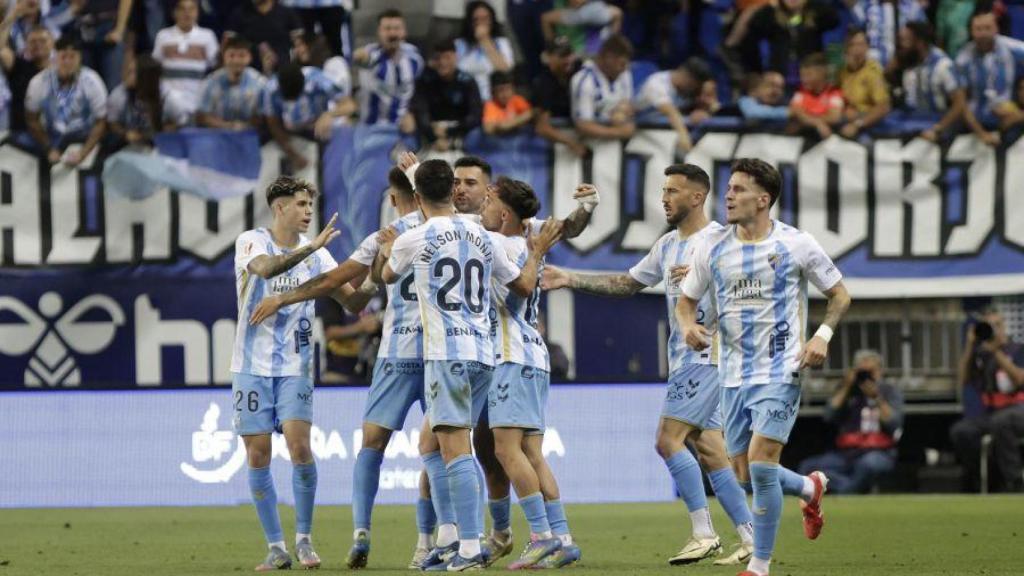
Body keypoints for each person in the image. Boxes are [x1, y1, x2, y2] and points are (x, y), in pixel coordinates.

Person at [542, 164, 758, 567]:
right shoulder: (667, 245)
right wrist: (569, 278)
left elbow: (749, 287)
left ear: (697, 197)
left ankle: (703, 533)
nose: (664, 198)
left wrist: (705, 280)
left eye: (673, 191)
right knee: (711, 451)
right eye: (663, 190)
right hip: (685, 358)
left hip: (708, 355)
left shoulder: (722, 240)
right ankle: (749, 537)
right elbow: (628, 284)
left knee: (667, 440)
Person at [379, 159, 562, 571]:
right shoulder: (484, 236)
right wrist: (535, 253)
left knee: (456, 451)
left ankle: (467, 546)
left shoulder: (416, 235)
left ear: (418, 198)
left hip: (445, 353)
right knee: (436, 444)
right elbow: (524, 284)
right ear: (451, 190)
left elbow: (388, 276)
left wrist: (389, 247)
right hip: (484, 354)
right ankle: (454, 539)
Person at [677, 158, 852, 576]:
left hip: (781, 370)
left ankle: (759, 565)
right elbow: (686, 303)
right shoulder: (712, 246)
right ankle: (810, 489)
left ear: (763, 198)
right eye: (729, 188)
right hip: (732, 373)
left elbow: (840, 295)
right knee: (745, 475)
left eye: (738, 189)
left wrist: (820, 337)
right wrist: (688, 327)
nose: (729, 196)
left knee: (760, 461)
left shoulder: (796, 244)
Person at [230, 177, 343, 571]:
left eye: (310, 203)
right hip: (250, 367)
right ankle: (276, 547)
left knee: (299, 448)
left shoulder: (319, 255)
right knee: (258, 454)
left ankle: (305, 540)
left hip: (296, 366)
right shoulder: (252, 241)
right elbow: (265, 269)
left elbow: (348, 291)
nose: (308, 211)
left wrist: (377, 266)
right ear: (279, 208)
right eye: (300, 204)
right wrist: (312, 248)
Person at [479, 177, 584, 569]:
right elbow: (562, 226)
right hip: (534, 357)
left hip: (509, 355)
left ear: (504, 213)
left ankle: (540, 536)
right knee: (533, 454)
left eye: (488, 201)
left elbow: (520, 286)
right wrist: (585, 209)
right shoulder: (525, 241)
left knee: (505, 450)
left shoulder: (495, 243)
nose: (482, 208)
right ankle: (562, 538)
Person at [797, 350, 904, 494]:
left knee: (868, 465)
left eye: (870, 371)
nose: (866, 377)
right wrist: (847, 386)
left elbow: (894, 423)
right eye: (862, 372)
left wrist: (876, 398)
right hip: (846, 453)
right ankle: (849, 487)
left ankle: (846, 488)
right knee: (808, 467)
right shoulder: (848, 391)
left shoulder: (889, 391)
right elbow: (829, 415)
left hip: (878, 452)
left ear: (880, 370)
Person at [950, 309, 1024, 493]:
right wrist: (970, 345)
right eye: (989, 326)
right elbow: (963, 379)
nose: (994, 330)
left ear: (1004, 327)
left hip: (1018, 408)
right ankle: (983, 479)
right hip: (991, 411)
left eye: (997, 325)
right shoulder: (981, 354)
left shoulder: (1018, 349)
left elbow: (1020, 380)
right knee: (962, 431)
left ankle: (1014, 482)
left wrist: (997, 352)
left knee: (1002, 422)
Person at [25, 35, 107, 167]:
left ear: (80, 58)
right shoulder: (38, 82)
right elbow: (31, 118)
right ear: (55, 57)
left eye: (73, 56)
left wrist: (83, 152)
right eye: (63, 56)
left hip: (83, 136)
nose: (68, 62)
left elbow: (101, 122)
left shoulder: (92, 81)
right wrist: (48, 147)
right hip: (51, 136)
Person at [260, 61, 349, 169]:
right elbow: (273, 125)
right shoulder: (270, 90)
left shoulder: (319, 80)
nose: (293, 104)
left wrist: (329, 114)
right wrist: (292, 154)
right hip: (290, 133)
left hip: (318, 129)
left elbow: (349, 105)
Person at [955, 8, 1024, 147]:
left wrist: (1020, 115)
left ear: (996, 28)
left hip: (1009, 118)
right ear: (971, 31)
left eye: (987, 28)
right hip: (974, 121)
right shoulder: (963, 57)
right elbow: (960, 101)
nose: (983, 33)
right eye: (978, 29)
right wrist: (981, 133)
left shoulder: (1016, 49)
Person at [893, 21, 966, 141]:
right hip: (910, 117)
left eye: (906, 40)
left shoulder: (943, 65)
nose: (901, 45)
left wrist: (938, 128)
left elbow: (960, 103)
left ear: (919, 43)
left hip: (934, 119)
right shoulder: (908, 61)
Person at [352, 9, 423, 131]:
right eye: (387, 29)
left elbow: (416, 91)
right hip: (370, 129)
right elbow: (363, 58)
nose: (392, 34)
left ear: (404, 32)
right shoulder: (372, 53)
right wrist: (359, 57)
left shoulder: (414, 57)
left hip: (400, 130)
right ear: (379, 32)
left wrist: (412, 113)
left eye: (397, 28)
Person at [410, 39, 482, 152]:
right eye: (438, 58)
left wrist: (449, 131)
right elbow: (421, 113)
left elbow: (475, 116)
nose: (443, 62)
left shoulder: (467, 82)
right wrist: (433, 137)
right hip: (430, 135)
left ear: (455, 57)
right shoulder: (424, 81)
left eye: (447, 57)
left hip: (460, 134)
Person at [107, 54, 190, 149]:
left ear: (146, 77)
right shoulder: (119, 94)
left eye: (132, 72)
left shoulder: (169, 98)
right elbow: (113, 122)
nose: (126, 75)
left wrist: (162, 131)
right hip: (129, 145)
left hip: (162, 145)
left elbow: (182, 122)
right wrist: (125, 133)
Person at [151, 0, 219, 114]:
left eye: (191, 9)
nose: (187, 13)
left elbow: (215, 67)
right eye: (182, 9)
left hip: (197, 95)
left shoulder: (208, 36)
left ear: (197, 12)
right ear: (175, 13)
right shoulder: (163, 35)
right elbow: (156, 65)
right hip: (169, 97)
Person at [634, 57, 713, 153]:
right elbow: (670, 111)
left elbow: (710, 104)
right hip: (638, 135)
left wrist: (701, 112)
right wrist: (683, 135)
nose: (693, 89)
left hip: (663, 138)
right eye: (692, 84)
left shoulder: (688, 90)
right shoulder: (656, 82)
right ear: (686, 76)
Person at [571, 34, 635, 141]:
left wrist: (622, 112)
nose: (625, 69)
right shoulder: (585, 80)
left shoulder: (625, 75)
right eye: (622, 64)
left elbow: (628, 106)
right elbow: (583, 125)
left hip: (616, 146)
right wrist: (619, 132)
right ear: (609, 58)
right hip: (590, 146)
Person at [531, 36, 587, 157]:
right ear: (549, 58)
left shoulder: (580, 72)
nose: (568, 60)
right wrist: (571, 142)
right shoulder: (543, 83)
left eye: (569, 54)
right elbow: (542, 127)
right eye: (562, 56)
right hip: (557, 149)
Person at [196, 36, 266, 130]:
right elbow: (202, 116)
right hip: (217, 135)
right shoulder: (210, 82)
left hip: (251, 135)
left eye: (242, 56)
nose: (236, 61)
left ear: (250, 58)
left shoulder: (260, 83)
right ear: (223, 57)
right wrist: (228, 126)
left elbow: (264, 117)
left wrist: (244, 126)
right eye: (231, 55)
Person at [837, 28, 891, 139]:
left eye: (861, 44)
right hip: (845, 119)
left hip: (867, 123)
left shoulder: (873, 72)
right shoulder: (842, 72)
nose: (858, 49)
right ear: (846, 48)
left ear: (867, 47)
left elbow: (883, 107)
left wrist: (858, 124)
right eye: (853, 45)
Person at [455, 0, 514, 101]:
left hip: (494, 98)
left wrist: (485, 41)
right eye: (476, 19)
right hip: (466, 97)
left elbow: (505, 69)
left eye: (485, 18)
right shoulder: (459, 44)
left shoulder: (502, 42)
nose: (480, 23)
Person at [224, 0, 304, 74]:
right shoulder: (239, 14)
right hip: (248, 74)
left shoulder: (287, 13)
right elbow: (227, 46)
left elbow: (301, 46)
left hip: (283, 74)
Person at [0, 24, 53, 133]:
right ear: (26, 46)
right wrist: (13, 15)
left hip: (53, 135)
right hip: (21, 136)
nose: (38, 44)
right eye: (33, 42)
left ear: (52, 43)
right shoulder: (18, 66)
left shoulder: (62, 71)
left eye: (43, 40)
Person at [845, 0, 926, 68]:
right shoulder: (867, 5)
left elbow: (922, 39)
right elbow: (855, 33)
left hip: (906, 68)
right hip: (872, 68)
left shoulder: (913, 8)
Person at [72, 0, 132, 88]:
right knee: (85, 87)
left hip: (109, 27)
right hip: (83, 30)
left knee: (112, 86)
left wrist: (119, 30)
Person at [788, 53, 844, 139]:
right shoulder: (800, 93)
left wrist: (808, 118)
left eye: (808, 75)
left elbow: (834, 117)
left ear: (821, 73)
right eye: (802, 76)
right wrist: (818, 123)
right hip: (803, 136)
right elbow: (797, 113)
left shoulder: (834, 93)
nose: (804, 80)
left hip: (826, 138)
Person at [280, 0, 350, 59]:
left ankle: (337, 71)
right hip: (300, 4)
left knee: (334, 46)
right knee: (301, 45)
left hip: (331, 4)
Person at [482, 70, 532, 135]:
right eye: (500, 90)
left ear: (513, 89)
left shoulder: (516, 99)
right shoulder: (490, 105)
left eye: (508, 89)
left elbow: (531, 113)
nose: (505, 95)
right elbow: (488, 129)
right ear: (493, 93)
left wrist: (507, 125)